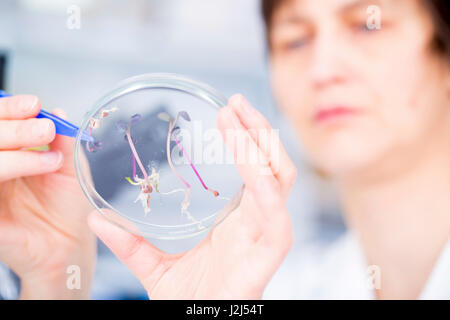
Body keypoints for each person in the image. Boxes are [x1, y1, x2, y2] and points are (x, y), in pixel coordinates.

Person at [0, 0, 449, 299]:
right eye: (295, 39)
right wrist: (54, 279)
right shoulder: (276, 290)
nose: (323, 67)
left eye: (368, 26)